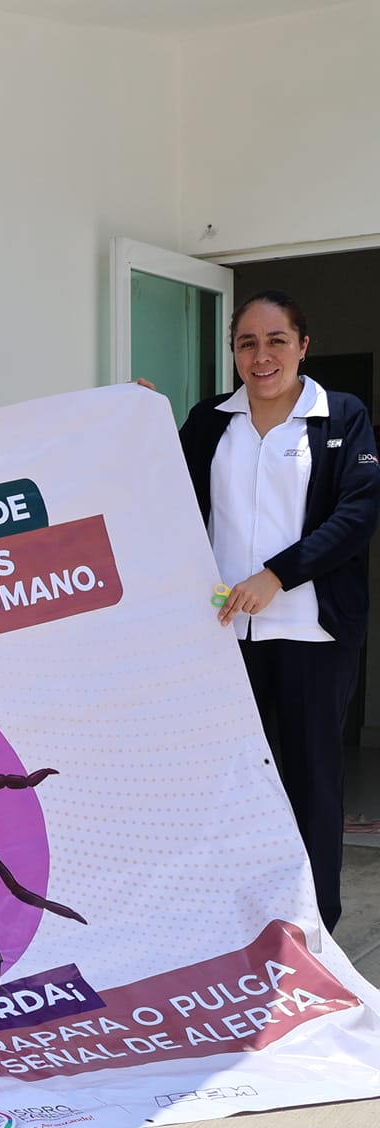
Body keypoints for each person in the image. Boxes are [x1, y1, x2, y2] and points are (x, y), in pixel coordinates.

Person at [177, 290, 380, 934]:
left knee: (314, 781)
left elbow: (359, 512)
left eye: (276, 341)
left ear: (303, 345)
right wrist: (132, 419)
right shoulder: (209, 420)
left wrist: (276, 576)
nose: (261, 356)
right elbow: (159, 489)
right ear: (234, 351)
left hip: (314, 633)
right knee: (233, 786)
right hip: (227, 636)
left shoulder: (341, 416)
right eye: (246, 343)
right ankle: (242, 920)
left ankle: (315, 924)